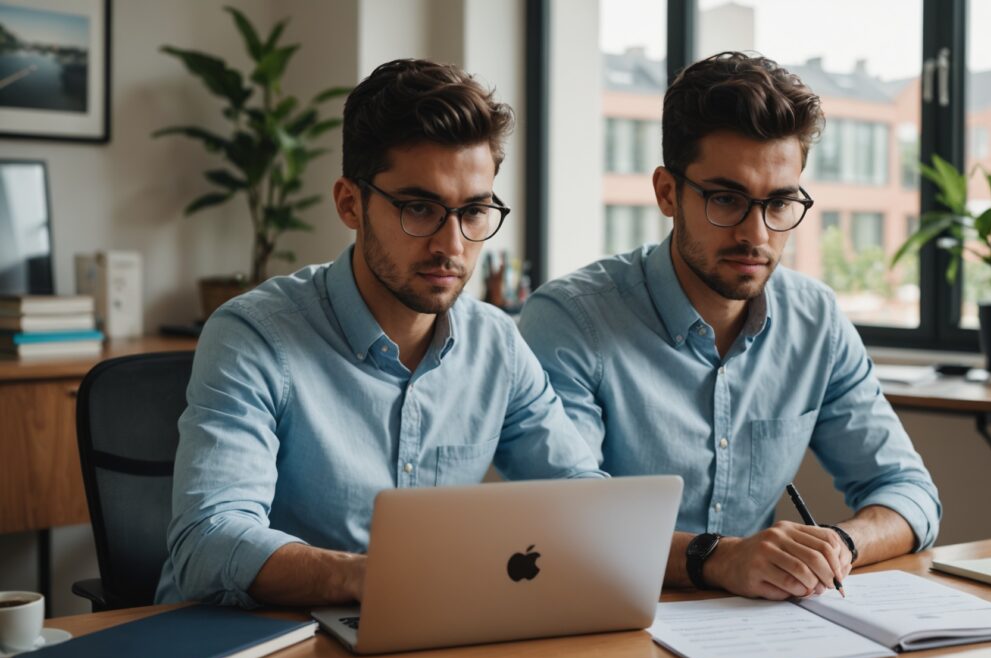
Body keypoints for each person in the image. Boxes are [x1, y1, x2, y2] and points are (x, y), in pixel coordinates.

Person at [157, 59, 604, 608]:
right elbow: (207, 539)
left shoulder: (497, 345)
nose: (452, 245)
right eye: (419, 208)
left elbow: (579, 493)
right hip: (251, 642)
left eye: (474, 210)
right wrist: (373, 578)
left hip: (420, 631)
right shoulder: (254, 336)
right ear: (350, 203)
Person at [519, 52, 941, 601]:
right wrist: (719, 558)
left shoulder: (814, 320)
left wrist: (837, 545)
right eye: (726, 199)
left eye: (781, 203)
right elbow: (567, 520)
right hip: (607, 617)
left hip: (756, 626)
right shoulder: (572, 320)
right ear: (668, 193)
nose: (756, 234)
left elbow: (908, 491)